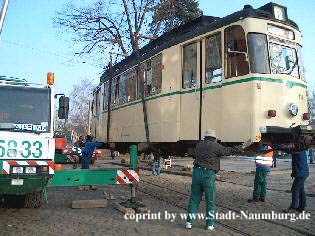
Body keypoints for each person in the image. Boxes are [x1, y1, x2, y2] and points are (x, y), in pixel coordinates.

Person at [185, 129, 248, 231]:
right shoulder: (215, 146)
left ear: (205, 137)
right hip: (208, 174)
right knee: (210, 200)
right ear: (214, 138)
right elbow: (228, 151)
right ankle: (209, 224)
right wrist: (242, 147)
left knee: (194, 199)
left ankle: (189, 222)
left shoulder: (199, 145)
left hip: (196, 173)